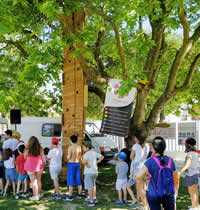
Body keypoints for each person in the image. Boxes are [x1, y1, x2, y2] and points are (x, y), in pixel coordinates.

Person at [136, 136, 176, 210]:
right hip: (169, 193)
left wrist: (143, 196)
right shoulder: (171, 160)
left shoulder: (150, 161)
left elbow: (138, 176)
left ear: (153, 148)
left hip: (153, 193)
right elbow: (173, 176)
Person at [127, 135, 149, 207]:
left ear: (137, 138)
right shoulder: (147, 146)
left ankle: (140, 202)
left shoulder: (135, 146)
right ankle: (143, 202)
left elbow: (131, 157)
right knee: (143, 186)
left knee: (138, 187)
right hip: (144, 166)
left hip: (137, 167)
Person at [178, 137, 200, 210]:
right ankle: (196, 206)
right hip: (196, 174)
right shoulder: (196, 153)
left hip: (190, 175)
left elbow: (188, 164)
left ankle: (193, 208)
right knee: (195, 191)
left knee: (191, 192)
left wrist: (180, 171)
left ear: (187, 145)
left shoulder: (189, 154)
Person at [82, 140, 104, 207]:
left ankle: (91, 201)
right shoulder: (94, 153)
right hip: (94, 172)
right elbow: (102, 157)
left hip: (88, 172)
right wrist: (97, 162)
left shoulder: (86, 154)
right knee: (93, 185)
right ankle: (94, 198)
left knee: (89, 187)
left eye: (83, 147)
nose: (83, 148)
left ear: (87, 147)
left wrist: (86, 164)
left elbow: (83, 161)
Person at [24, 136, 44, 201]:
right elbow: (41, 155)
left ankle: (35, 196)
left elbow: (25, 157)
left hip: (30, 166)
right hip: (39, 166)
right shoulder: (40, 149)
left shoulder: (27, 149)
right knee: (39, 180)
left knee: (34, 181)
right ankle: (39, 194)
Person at [63, 135, 82, 201]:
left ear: (71, 140)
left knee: (70, 179)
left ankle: (70, 196)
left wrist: (67, 157)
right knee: (78, 178)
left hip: (71, 164)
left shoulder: (70, 147)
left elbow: (68, 157)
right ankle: (79, 194)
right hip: (77, 163)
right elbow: (80, 156)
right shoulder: (79, 147)